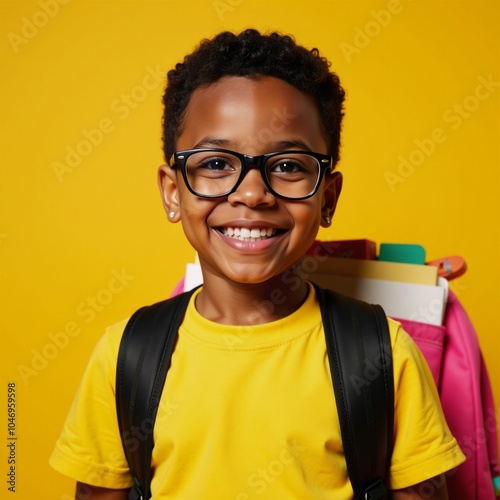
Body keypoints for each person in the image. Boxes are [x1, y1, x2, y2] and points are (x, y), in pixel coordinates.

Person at [50, 29, 465, 499]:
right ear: (172, 192)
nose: (251, 193)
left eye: (288, 165)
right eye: (215, 164)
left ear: (327, 197)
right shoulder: (125, 355)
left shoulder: (384, 353)